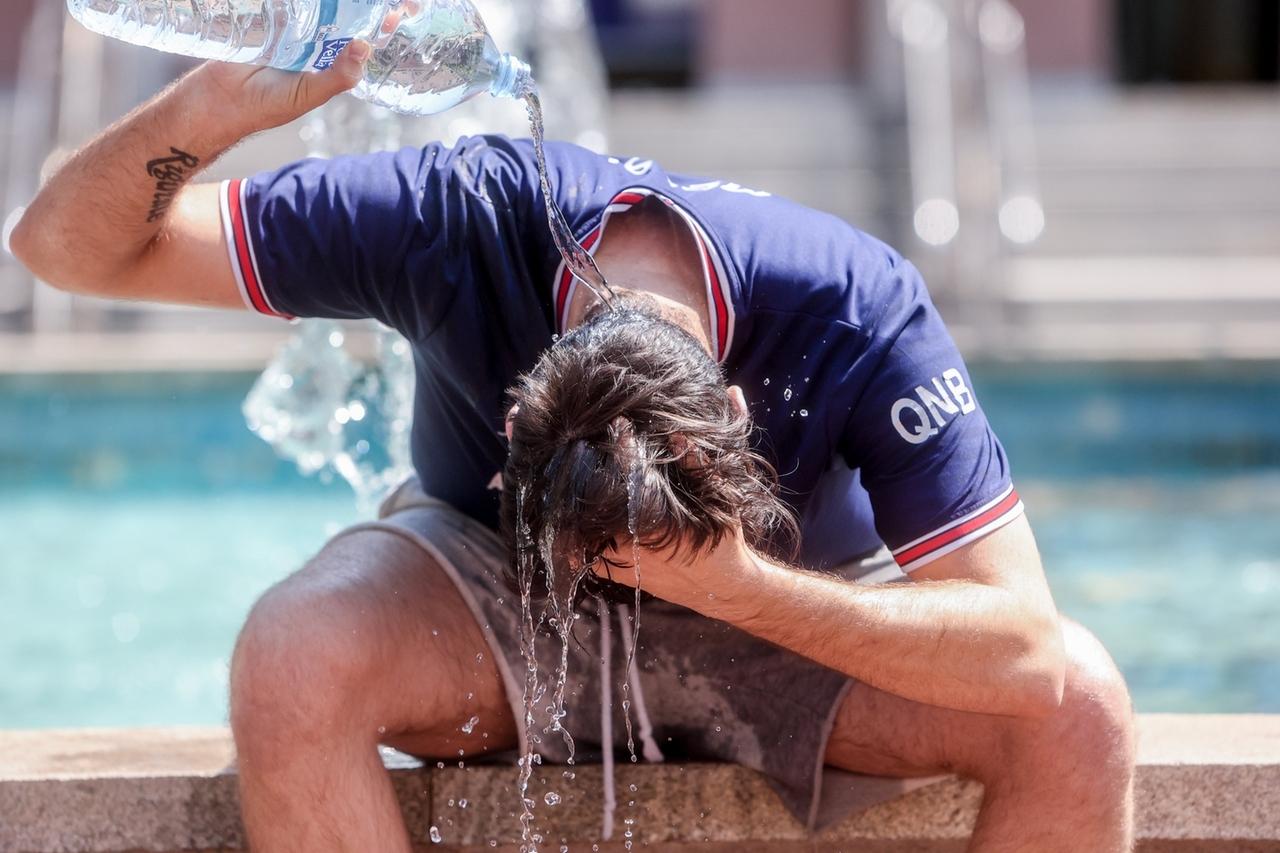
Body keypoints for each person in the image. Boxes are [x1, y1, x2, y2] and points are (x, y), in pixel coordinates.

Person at [12, 43, 1136, 852]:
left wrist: (740, 586)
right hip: (487, 585)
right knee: (294, 650)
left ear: (734, 423)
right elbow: (64, 251)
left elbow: (1025, 651)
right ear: (519, 416)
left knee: (1079, 710)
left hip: (788, 604)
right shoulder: (448, 217)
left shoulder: (854, 307)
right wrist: (218, 102)